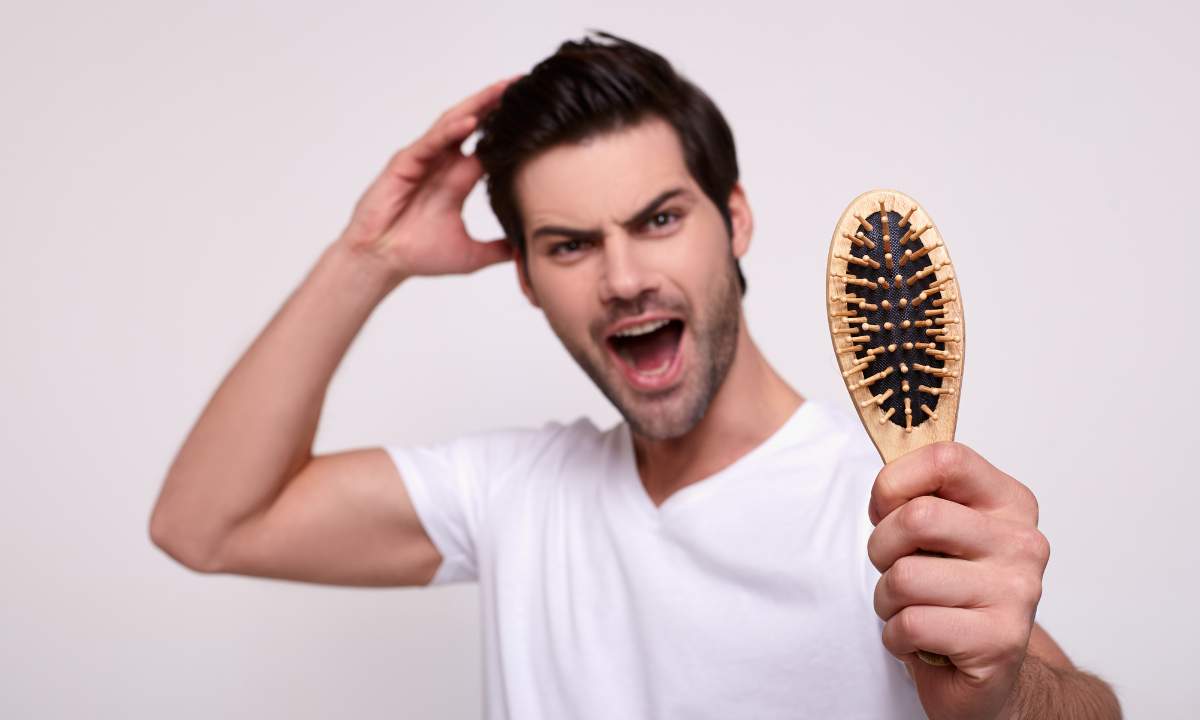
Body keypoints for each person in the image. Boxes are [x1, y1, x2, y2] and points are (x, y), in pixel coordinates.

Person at [149, 30, 1121, 720]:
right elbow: (207, 525)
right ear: (526, 279)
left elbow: (1086, 711)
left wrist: (999, 706)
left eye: (658, 219)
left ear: (731, 221)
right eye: (569, 245)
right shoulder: (518, 495)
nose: (621, 279)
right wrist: (366, 254)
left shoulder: (871, 501)